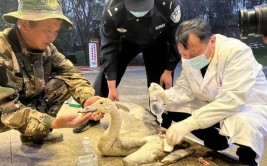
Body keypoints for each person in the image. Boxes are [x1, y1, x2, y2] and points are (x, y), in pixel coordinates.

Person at [148, 18, 267, 165]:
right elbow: (186, 89)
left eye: (193, 54)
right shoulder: (188, 57)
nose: (188, 59)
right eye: (184, 55)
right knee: (173, 107)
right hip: (213, 99)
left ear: (211, 41)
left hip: (246, 104)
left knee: (245, 124)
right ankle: (217, 141)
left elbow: (231, 100)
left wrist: (188, 124)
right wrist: (164, 95)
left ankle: (247, 160)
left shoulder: (236, 51)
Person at [0, 0, 103, 144]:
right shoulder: (2, 51)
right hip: (4, 110)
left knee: (63, 84)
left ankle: (35, 135)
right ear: (24, 24)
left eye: (56, 31)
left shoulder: (47, 48)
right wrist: (51, 123)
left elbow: (70, 74)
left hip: (20, 104)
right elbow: (6, 110)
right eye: (48, 30)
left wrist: (88, 99)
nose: (52, 37)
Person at [73, 0, 183, 133]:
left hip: (157, 40)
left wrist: (168, 70)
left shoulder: (169, 5)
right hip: (126, 40)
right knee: (106, 75)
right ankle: (90, 115)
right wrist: (111, 86)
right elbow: (109, 49)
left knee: (160, 84)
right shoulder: (111, 8)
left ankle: (161, 122)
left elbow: (176, 41)